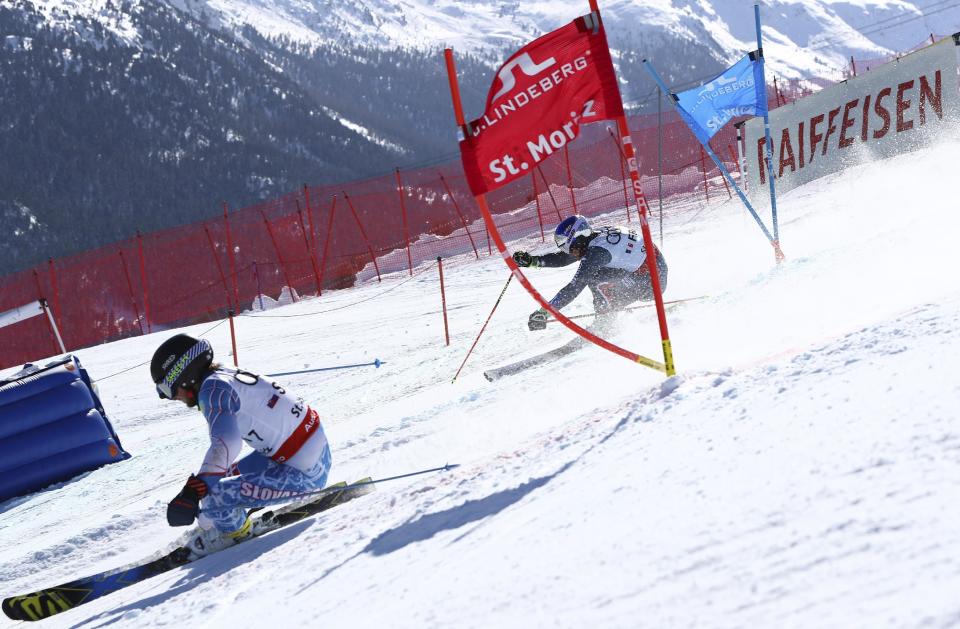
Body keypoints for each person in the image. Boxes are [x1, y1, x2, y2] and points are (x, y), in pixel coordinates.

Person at [151, 334, 332, 555]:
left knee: (215, 498)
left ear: (185, 377)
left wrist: (192, 491)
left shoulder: (212, 390)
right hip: (309, 454)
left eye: (167, 390)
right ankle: (221, 522)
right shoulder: (223, 373)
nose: (169, 398)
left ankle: (236, 535)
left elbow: (228, 442)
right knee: (218, 481)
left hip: (306, 476)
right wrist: (201, 489)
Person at [513, 214, 668, 331]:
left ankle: (604, 324)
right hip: (652, 272)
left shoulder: (597, 253)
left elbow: (574, 287)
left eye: (568, 246)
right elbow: (564, 259)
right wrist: (532, 261)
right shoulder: (594, 238)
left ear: (579, 238)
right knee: (598, 273)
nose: (569, 252)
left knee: (593, 278)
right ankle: (610, 311)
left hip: (652, 284)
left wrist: (544, 313)